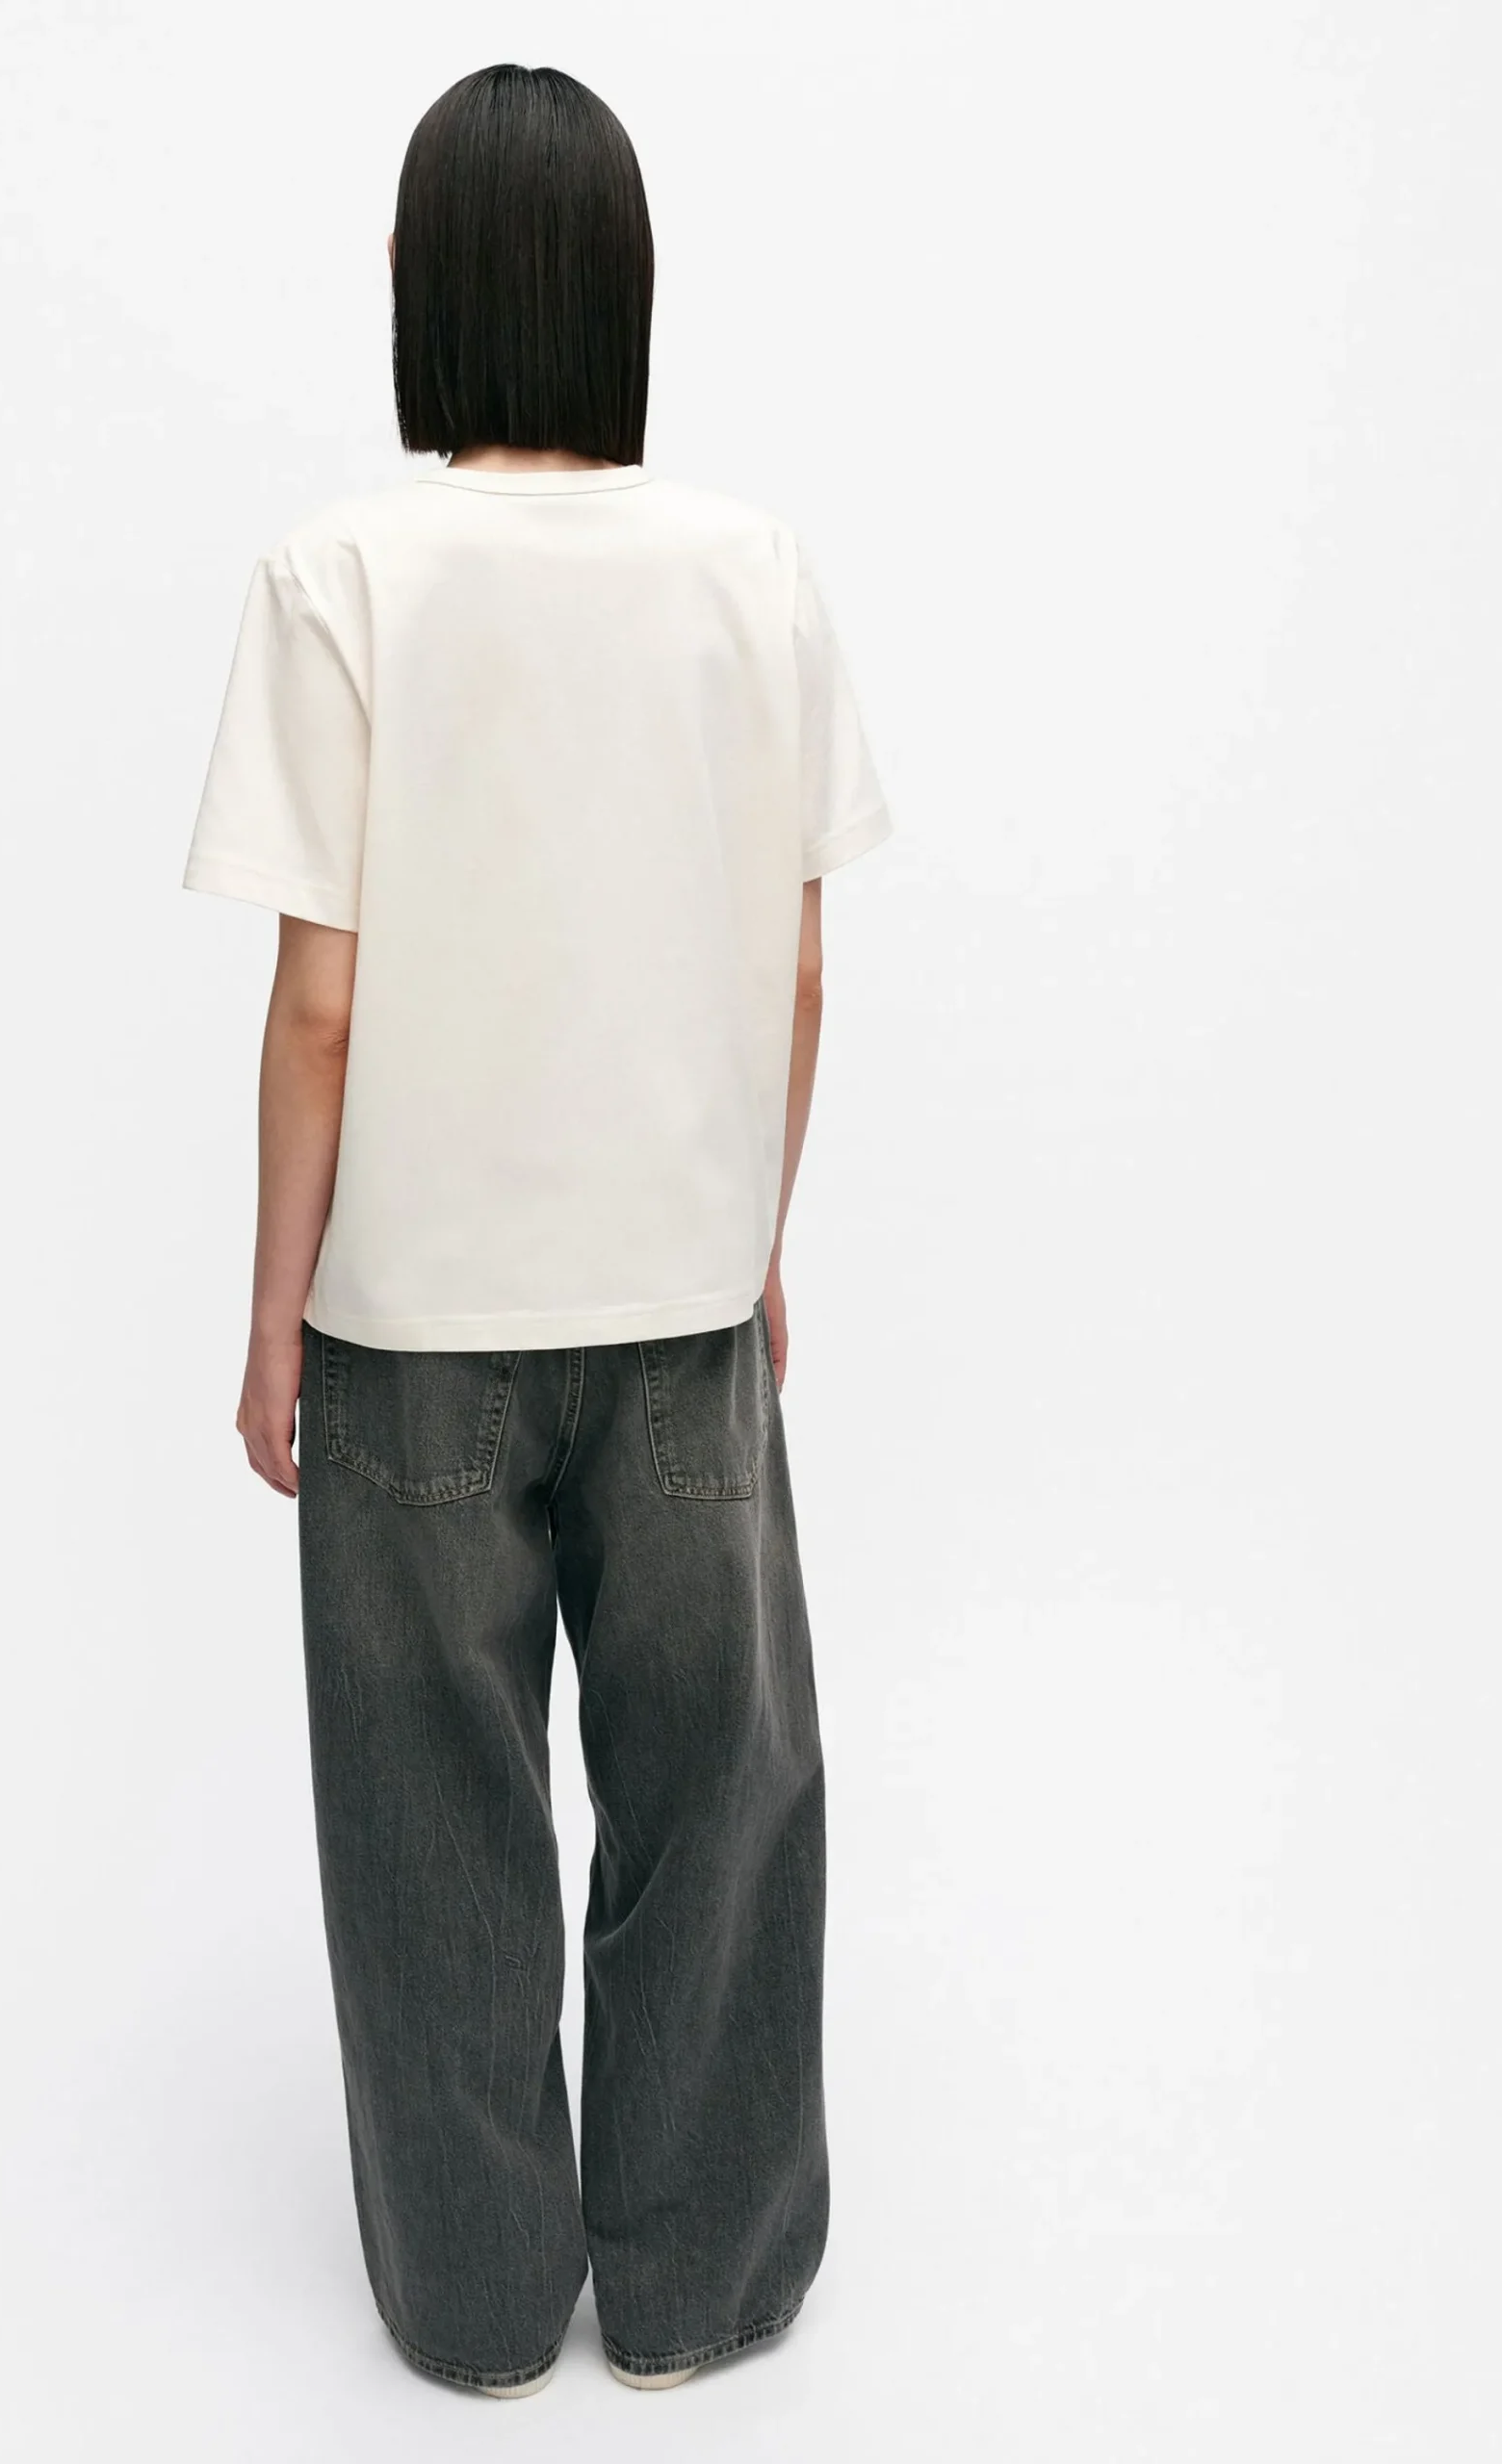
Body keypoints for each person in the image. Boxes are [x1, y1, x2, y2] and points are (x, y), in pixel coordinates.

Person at [182, 62, 892, 2400]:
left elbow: (317, 1002)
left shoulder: (338, 579)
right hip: (678, 1300)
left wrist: (274, 1309)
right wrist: (751, 1231)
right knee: (718, 1795)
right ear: (622, 290)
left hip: (409, 1323)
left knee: (431, 1821)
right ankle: (697, 2286)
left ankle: (479, 2307)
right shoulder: (752, 572)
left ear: (421, 291)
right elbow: (797, 969)